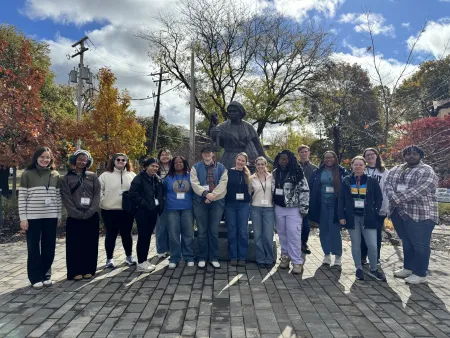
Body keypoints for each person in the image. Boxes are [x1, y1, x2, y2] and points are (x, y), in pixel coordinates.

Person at [385, 145, 439, 284]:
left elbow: (421, 189)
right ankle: (408, 268)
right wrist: (393, 197)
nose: (411, 156)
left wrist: (397, 199)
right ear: (404, 156)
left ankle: (420, 273)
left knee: (420, 245)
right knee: (407, 242)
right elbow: (388, 184)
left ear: (420, 156)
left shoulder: (426, 170)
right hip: (399, 213)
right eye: (408, 154)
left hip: (421, 214)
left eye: (414, 154)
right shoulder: (396, 169)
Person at [18, 147, 62, 289]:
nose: (45, 160)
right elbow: (22, 197)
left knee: (49, 246)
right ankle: (35, 277)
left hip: (51, 216)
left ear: (51, 159)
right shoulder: (27, 174)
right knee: (33, 247)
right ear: (36, 158)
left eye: (48, 157)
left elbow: (58, 197)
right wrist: (23, 218)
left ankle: (46, 275)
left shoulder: (55, 174)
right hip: (33, 217)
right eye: (42, 157)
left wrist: (59, 215)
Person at [338, 156, 386, 281]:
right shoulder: (346, 180)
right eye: (355, 165)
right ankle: (358, 268)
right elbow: (341, 200)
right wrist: (341, 216)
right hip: (352, 217)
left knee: (372, 245)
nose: (358, 167)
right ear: (352, 166)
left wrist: (374, 212)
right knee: (356, 244)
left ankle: (374, 268)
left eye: (360, 165)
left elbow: (379, 198)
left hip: (368, 217)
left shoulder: (371, 180)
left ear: (365, 166)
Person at [60, 150, 100, 281]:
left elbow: (96, 195)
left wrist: (90, 211)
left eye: (85, 159)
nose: (82, 162)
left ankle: (89, 269)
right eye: (79, 159)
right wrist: (75, 213)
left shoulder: (93, 176)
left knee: (90, 244)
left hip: (91, 215)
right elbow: (66, 197)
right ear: (74, 160)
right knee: (74, 245)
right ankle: (75, 271)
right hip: (74, 217)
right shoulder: (66, 178)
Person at [272, 150, 310, 274]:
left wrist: (304, 208)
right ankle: (285, 257)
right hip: (278, 207)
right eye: (281, 158)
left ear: (290, 160)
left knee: (294, 235)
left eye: (286, 159)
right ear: (278, 160)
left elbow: (304, 190)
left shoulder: (297, 173)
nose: (283, 161)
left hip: (293, 209)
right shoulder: (274, 173)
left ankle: (297, 262)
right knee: (282, 234)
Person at [191, 145, 228, 269]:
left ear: (213, 154)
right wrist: (206, 194)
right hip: (200, 202)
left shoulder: (222, 168)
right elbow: (194, 184)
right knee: (201, 231)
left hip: (216, 203)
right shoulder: (195, 168)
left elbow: (223, 184)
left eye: (209, 152)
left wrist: (212, 196)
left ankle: (213, 257)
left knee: (213, 231)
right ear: (202, 155)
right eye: (204, 153)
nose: (207, 155)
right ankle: (202, 257)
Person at [309, 151, 348, 267]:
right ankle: (326, 254)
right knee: (324, 231)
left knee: (335, 231)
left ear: (335, 158)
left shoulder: (342, 172)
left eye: (331, 157)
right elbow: (311, 188)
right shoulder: (317, 172)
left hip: (336, 206)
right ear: (323, 159)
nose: (328, 159)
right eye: (326, 158)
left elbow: (346, 190)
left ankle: (338, 256)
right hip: (322, 205)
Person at [99, 153, 137, 268]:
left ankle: (129, 256)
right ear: (113, 161)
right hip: (109, 210)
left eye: (123, 160)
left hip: (126, 210)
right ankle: (109, 259)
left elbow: (136, 191)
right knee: (111, 234)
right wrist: (103, 202)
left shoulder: (132, 175)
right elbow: (98, 191)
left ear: (126, 162)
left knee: (127, 234)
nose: (121, 161)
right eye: (118, 159)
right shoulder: (105, 175)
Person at [209, 101, 269, 169]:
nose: (231, 113)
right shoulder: (223, 126)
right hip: (229, 158)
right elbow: (213, 135)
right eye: (229, 111)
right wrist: (212, 127)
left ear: (241, 113)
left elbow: (257, 144)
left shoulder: (248, 126)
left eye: (234, 111)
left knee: (245, 177)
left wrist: (264, 157)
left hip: (245, 158)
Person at [129, 158, 164, 272]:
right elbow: (133, 195)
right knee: (143, 237)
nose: (154, 168)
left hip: (153, 211)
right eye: (152, 166)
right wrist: (146, 204)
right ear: (146, 166)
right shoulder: (139, 179)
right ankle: (141, 263)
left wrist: (158, 205)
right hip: (142, 212)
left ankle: (144, 260)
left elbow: (159, 194)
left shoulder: (156, 179)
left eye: (156, 166)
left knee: (148, 236)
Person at [164, 156, 195, 268]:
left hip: (187, 209)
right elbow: (163, 192)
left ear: (184, 163)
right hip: (172, 209)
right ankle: (174, 257)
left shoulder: (190, 176)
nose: (178, 164)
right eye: (175, 162)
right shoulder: (168, 178)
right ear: (172, 164)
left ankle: (189, 256)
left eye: (180, 162)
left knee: (188, 234)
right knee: (173, 235)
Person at [361, 148, 390, 265]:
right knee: (363, 234)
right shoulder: (362, 169)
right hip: (363, 208)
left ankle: (375, 258)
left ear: (377, 156)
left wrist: (384, 208)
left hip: (379, 209)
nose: (370, 157)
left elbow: (387, 191)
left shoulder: (384, 172)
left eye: (372, 154)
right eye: (367, 155)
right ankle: (363, 257)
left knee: (376, 234)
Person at [225, 152, 251, 266]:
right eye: (239, 160)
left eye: (243, 161)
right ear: (235, 160)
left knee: (243, 231)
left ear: (246, 162)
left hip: (244, 205)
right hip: (230, 204)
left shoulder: (248, 175)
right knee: (232, 230)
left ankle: (242, 257)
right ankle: (233, 256)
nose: (240, 162)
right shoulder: (228, 172)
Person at [250, 156, 275, 268]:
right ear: (255, 165)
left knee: (268, 235)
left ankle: (269, 258)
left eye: (262, 164)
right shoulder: (251, 178)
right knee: (257, 235)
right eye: (258, 164)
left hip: (269, 209)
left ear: (266, 165)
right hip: (255, 209)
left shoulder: (272, 177)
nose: (260, 166)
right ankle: (260, 259)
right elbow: (249, 193)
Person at [298, 145, 318, 255]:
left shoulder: (315, 168)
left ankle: (303, 242)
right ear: (298, 154)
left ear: (309, 153)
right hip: (296, 199)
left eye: (306, 152)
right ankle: (296, 243)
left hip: (309, 199)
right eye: (301, 152)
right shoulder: (294, 166)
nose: (304, 154)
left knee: (306, 224)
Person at [155, 149, 172, 259]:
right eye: (162, 155)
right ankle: (161, 249)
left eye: (166, 155)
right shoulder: (155, 168)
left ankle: (171, 249)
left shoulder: (174, 167)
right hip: (160, 201)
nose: (164, 156)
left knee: (172, 226)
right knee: (161, 226)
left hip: (173, 200)